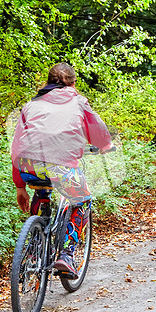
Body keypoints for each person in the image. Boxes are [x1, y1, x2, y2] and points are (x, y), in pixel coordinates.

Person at [11, 63, 112, 278]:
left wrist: (20, 186)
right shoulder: (79, 102)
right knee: (82, 200)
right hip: (61, 168)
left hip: (29, 167)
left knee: (42, 191)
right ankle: (66, 255)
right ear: (74, 83)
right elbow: (98, 130)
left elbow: (17, 147)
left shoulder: (31, 105)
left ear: (47, 83)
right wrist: (105, 146)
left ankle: (34, 250)